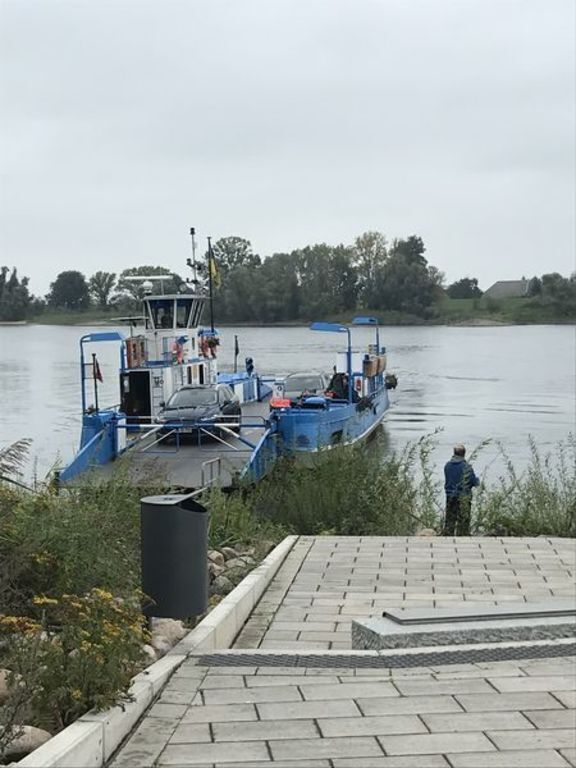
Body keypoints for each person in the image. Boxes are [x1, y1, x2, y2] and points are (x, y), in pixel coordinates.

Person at [443, 444, 479, 536]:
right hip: (463, 497)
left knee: (450, 520)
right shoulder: (466, 467)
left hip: (450, 496)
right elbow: (474, 482)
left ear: (454, 453)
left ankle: (448, 537)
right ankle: (462, 537)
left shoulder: (447, 466)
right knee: (463, 521)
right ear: (464, 454)